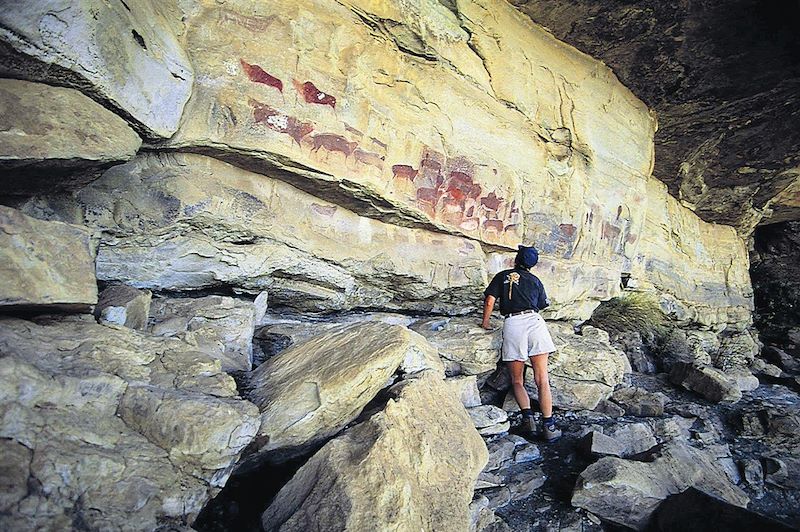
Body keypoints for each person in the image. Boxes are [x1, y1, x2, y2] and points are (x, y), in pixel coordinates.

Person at [481, 245, 561, 442]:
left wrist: (485, 323)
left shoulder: (503, 275)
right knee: (542, 379)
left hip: (513, 323)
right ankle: (549, 426)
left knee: (517, 380)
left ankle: (528, 421)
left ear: (516, 259)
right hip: (535, 323)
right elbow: (542, 305)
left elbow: (490, 301)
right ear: (532, 264)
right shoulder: (536, 281)